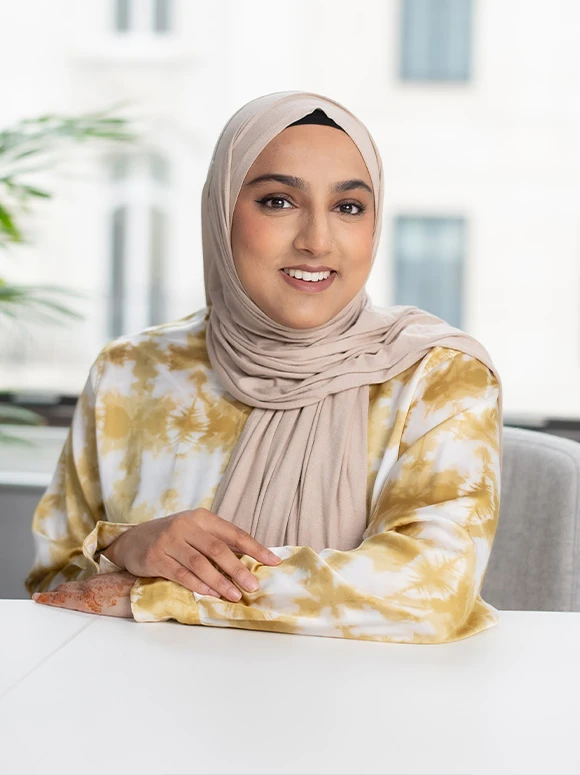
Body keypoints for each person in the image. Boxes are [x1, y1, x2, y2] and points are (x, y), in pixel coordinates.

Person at [27, 91, 503, 644]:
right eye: (278, 201)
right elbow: (53, 589)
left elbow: (432, 590)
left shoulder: (437, 375)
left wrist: (156, 590)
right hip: (153, 704)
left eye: (349, 207)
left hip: (371, 710)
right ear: (221, 210)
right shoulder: (130, 373)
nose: (317, 241)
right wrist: (122, 545)